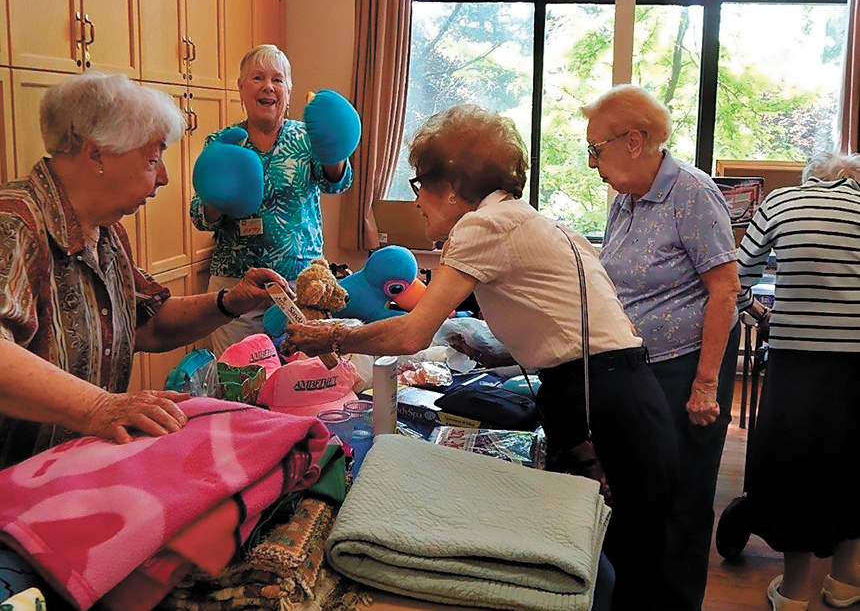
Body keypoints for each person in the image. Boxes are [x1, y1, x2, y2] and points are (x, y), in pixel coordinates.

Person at [284, 104, 679, 611]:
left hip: (601, 405)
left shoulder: (481, 228)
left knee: (616, 573)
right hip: (621, 395)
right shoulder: (532, 222)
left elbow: (411, 333)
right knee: (622, 565)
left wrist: (333, 337)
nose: (417, 200)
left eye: (418, 183)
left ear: (450, 185)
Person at [0, 70, 289, 470]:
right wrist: (99, 407)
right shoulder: (13, 223)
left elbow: (147, 323)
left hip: (72, 474)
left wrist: (230, 302)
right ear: (97, 153)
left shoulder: (107, 233)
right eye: (153, 158)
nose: (165, 177)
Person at [581, 84, 741, 611]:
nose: (592, 164)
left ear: (633, 140)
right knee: (636, 494)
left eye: (595, 150)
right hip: (637, 369)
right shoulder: (626, 201)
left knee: (682, 503)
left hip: (684, 371)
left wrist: (706, 385)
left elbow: (725, 289)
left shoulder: (690, 193)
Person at [736, 152, 860, 611]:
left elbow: (739, 276)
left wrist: (755, 310)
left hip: (796, 362)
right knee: (851, 463)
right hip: (857, 364)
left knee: (793, 466)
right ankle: (845, 581)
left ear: (812, 179)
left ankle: (792, 591)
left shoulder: (782, 202)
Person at [190, 44, 354, 354]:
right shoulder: (222, 142)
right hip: (236, 288)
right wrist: (217, 197)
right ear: (240, 87)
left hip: (302, 286)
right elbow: (200, 216)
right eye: (257, 78)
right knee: (242, 381)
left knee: (303, 380)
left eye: (277, 80)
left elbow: (336, 184)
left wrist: (335, 151)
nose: (268, 87)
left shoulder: (307, 137)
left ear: (288, 90)